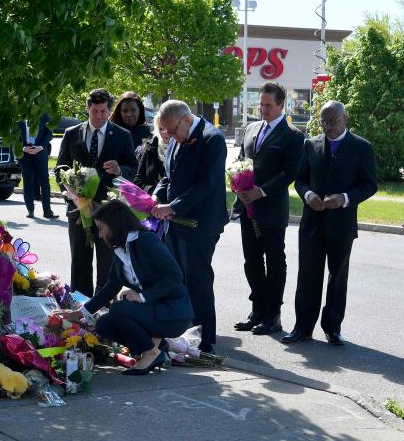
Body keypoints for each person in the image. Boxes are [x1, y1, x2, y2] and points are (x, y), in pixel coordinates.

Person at [54, 201, 193, 376]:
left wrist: (142, 297)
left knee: (119, 308)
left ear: (114, 225)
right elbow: (111, 286)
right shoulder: (119, 249)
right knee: (104, 324)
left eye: (101, 228)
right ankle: (154, 347)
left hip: (173, 313)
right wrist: (80, 313)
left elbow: (174, 275)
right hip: (153, 311)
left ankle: (151, 352)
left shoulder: (146, 241)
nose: (100, 234)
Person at [284, 101, 377, 346]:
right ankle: (302, 327)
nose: (328, 126)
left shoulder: (361, 147)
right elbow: (300, 179)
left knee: (337, 277)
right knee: (307, 276)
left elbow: (369, 185)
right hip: (312, 223)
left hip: (342, 224)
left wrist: (345, 198)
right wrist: (308, 195)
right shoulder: (310, 144)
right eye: (324, 121)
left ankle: (332, 327)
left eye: (333, 121)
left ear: (345, 119)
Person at [152, 100, 228, 353]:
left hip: (201, 223)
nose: (169, 136)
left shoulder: (212, 139)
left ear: (186, 120)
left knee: (198, 280)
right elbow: (168, 177)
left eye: (172, 130)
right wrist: (156, 195)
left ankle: (205, 341)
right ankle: (183, 335)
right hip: (175, 222)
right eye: (166, 131)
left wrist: (173, 206)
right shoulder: (176, 139)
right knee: (178, 279)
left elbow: (207, 184)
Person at [233, 81, 304, 336]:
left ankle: (273, 315)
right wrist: (237, 185)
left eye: (268, 106)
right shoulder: (252, 128)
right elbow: (242, 161)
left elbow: (290, 172)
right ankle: (257, 309)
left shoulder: (293, 136)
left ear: (281, 105)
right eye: (260, 105)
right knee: (251, 261)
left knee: (274, 262)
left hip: (271, 210)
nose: (263, 110)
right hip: (247, 208)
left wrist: (261, 191)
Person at [56, 88, 138, 296]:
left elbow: (134, 168)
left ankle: (105, 305)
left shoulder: (122, 135)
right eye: (95, 111)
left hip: (109, 211)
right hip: (78, 209)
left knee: (107, 262)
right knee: (80, 261)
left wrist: (120, 169)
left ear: (110, 111)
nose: (99, 116)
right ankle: (80, 305)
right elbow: (59, 168)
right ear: (87, 109)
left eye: (103, 111)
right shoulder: (72, 133)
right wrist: (70, 186)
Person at [19, 114, 58, 219]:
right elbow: (13, 137)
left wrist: (40, 147)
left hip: (40, 152)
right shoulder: (18, 117)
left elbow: (49, 134)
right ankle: (30, 210)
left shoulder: (44, 116)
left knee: (44, 182)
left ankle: (47, 211)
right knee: (27, 182)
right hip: (25, 154)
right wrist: (23, 148)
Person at [134, 113, 167, 194]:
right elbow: (138, 180)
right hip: (152, 202)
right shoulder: (151, 147)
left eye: (167, 127)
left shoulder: (182, 148)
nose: (165, 132)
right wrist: (152, 192)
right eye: (161, 128)